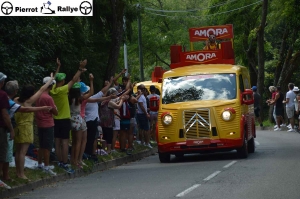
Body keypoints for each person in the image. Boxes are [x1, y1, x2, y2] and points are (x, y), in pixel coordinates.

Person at [4, 80, 52, 180]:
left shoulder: (16, 100)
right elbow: (42, 89)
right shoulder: (29, 102)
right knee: (23, 152)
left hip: (17, 127)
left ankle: (18, 172)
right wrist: (51, 79)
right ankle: (21, 174)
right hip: (26, 128)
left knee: (17, 151)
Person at [50, 59, 87, 173]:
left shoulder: (52, 90)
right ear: (62, 81)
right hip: (65, 118)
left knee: (57, 141)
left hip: (55, 119)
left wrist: (58, 68)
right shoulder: (62, 89)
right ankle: (65, 162)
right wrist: (80, 69)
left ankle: (59, 161)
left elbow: (54, 80)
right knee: (65, 141)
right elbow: (74, 80)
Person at [84, 77, 113, 159]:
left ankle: (87, 153)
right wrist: (110, 84)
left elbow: (102, 92)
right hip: (93, 121)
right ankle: (91, 154)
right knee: (93, 138)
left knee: (87, 139)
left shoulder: (81, 100)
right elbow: (102, 92)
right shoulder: (91, 99)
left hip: (86, 120)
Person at [69, 74, 94, 168]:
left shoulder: (69, 98)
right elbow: (91, 93)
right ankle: (76, 161)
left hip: (71, 119)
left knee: (74, 141)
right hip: (78, 119)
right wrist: (91, 81)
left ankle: (73, 159)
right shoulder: (79, 99)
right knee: (78, 142)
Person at [35, 77, 58, 176]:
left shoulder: (38, 95)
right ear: (51, 86)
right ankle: (46, 166)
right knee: (47, 147)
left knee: (41, 145)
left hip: (39, 122)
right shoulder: (48, 98)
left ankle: (40, 163)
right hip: (48, 123)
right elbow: (55, 112)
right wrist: (55, 108)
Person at [99, 88, 128, 153]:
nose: (116, 95)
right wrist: (122, 100)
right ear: (111, 94)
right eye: (115, 93)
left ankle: (104, 149)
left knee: (105, 136)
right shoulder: (109, 102)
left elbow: (114, 105)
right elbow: (118, 106)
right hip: (108, 121)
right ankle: (109, 150)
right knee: (109, 135)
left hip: (103, 121)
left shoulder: (103, 101)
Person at [0, 72, 14, 189]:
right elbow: (5, 114)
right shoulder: (2, 95)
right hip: (1, 127)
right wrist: (11, 129)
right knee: (2, 152)